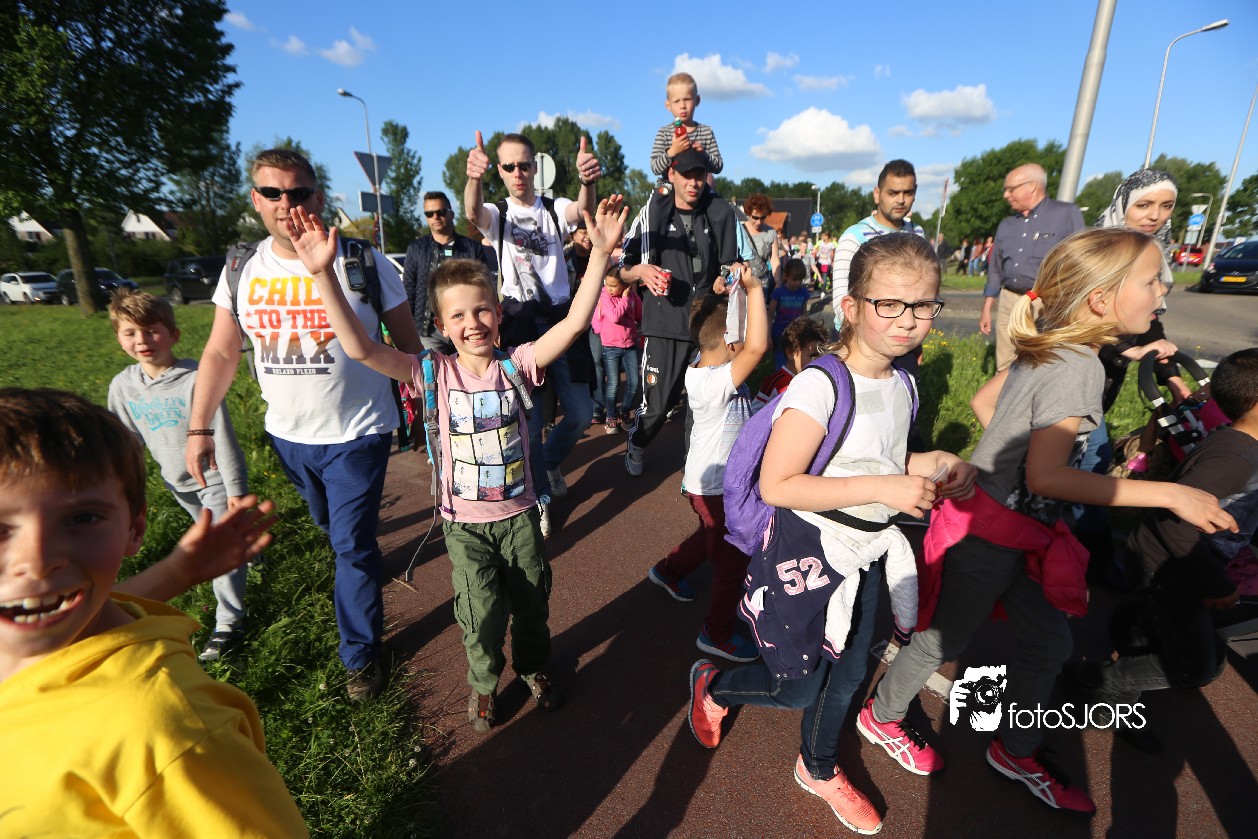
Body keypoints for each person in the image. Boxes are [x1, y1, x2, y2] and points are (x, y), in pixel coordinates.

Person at [858, 228, 1236, 817]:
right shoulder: (1076, 367)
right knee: (942, 640)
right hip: (992, 535)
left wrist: (1009, 455)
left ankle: (1015, 749)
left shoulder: (1057, 347)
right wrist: (1172, 495)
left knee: (1049, 643)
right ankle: (882, 715)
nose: (1164, 292)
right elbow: (1047, 476)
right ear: (1100, 299)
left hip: (1017, 531)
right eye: (1152, 281)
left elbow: (986, 403)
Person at [283, 196, 629, 734]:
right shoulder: (433, 372)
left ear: (498, 312)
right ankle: (485, 683)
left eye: (483, 310)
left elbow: (574, 323)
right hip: (465, 528)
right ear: (442, 324)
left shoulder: (519, 365)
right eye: (459, 315)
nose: (473, 323)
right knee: (479, 614)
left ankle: (533, 669)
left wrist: (601, 254)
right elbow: (360, 348)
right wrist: (323, 274)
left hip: (520, 519)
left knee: (532, 607)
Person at [687, 233, 976, 835]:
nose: (908, 320)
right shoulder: (820, 385)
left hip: (866, 554)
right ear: (851, 306)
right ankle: (716, 686)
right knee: (795, 687)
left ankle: (817, 767)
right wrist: (886, 488)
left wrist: (938, 463)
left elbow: (881, 459)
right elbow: (779, 485)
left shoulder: (903, 383)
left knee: (846, 676)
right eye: (889, 304)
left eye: (923, 305)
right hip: (808, 555)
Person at [0, 388, 307, 837]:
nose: (38, 560)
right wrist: (178, 571)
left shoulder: (164, 733)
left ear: (135, 527)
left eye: (82, 518)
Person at [186, 148, 422, 701]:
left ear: (317, 196)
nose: (286, 203)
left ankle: (360, 657)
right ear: (256, 200)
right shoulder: (242, 268)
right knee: (331, 527)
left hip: (359, 431)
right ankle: (357, 560)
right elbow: (220, 352)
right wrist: (198, 428)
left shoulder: (361, 260)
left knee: (352, 546)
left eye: (298, 192)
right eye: (273, 193)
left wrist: (428, 405)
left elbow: (408, 344)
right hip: (288, 435)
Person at [1068, 348, 1258, 754]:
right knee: (1197, 668)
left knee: (1178, 637)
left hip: (1177, 564)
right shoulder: (1235, 459)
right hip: (1172, 568)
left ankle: (1134, 626)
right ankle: (1102, 685)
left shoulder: (1241, 447)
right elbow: (1175, 525)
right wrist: (1217, 583)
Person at [464, 130, 602, 534]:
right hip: (521, 325)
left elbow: (583, 209)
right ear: (500, 170)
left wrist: (587, 181)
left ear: (534, 167)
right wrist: (473, 178)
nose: (518, 172)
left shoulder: (554, 209)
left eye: (525, 165)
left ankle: (550, 462)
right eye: (509, 166)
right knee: (531, 420)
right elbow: (473, 212)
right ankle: (540, 496)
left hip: (562, 321)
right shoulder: (498, 213)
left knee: (581, 413)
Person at [106, 291, 250, 663]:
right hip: (177, 483)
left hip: (215, 479)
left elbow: (223, 435)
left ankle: (228, 624)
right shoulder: (122, 386)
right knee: (217, 536)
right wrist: (126, 489)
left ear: (173, 334)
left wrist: (235, 489)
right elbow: (126, 445)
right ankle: (248, 549)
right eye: (130, 333)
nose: (142, 341)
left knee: (217, 548)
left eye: (152, 331)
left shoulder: (198, 379)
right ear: (118, 338)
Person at [647, 271, 768, 661]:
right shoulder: (714, 383)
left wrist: (730, 295)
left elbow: (709, 318)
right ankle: (716, 633)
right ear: (731, 342)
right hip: (716, 487)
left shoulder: (704, 362)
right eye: (741, 335)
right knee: (732, 562)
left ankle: (669, 571)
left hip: (710, 483)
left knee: (708, 534)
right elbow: (757, 348)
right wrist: (754, 289)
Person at [620, 148, 744, 477]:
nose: (693, 182)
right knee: (659, 405)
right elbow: (621, 269)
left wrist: (723, 280)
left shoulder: (718, 213)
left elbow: (728, 266)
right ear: (671, 175)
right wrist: (642, 271)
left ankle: (696, 467)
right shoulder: (653, 213)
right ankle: (637, 442)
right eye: (686, 175)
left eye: (699, 175)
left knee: (705, 403)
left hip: (707, 323)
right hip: (666, 322)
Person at [981, 163, 1085, 370]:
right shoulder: (1007, 225)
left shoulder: (1066, 214)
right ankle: (1004, 390)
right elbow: (995, 268)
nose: (1006, 195)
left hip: (1045, 302)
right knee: (1006, 360)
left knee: (1041, 360)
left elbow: (1082, 260)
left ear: (1032, 186)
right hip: (1010, 300)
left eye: (1011, 189)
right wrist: (987, 308)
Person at [832, 160, 926, 333]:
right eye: (893, 193)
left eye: (908, 192)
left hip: (905, 334)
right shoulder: (854, 237)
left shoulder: (917, 234)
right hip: (857, 338)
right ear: (877, 194)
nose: (901, 200)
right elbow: (841, 300)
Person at [403, 191, 490, 354]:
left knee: (468, 369)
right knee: (435, 370)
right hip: (428, 331)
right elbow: (408, 290)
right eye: (429, 213)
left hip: (467, 328)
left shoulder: (472, 248)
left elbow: (485, 288)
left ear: (451, 213)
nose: (435, 217)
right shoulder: (416, 248)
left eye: (440, 212)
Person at [591, 266, 642, 434]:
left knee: (634, 383)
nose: (609, 288)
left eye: (613, 285)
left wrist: (631, 298)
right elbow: (614, 316)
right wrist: (625, 299)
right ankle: (611, 416)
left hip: (630, 345)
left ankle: (624, 410)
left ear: (624, 285)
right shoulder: (605, 295)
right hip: (611, 346)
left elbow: (639, 314)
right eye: (607, 284)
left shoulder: (632, 296)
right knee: (613, 384)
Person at [649, 71, 723, 178]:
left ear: (697, 100)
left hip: (698, 183)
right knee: (660, 190)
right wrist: (672, 151)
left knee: (711, 188)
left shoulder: (706, 131)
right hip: (669, 184)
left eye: (687, 99)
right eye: (676, 101)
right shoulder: (664, 133)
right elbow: (655, 168)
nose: (682, 105)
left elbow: (718, 166)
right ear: (668, 105)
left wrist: (703, 154)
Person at [751, 315, 828, 414]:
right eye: (811, 356)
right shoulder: (776, 382)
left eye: (819, 357)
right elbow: (754, 412)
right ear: (790, 352)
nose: (816, 361)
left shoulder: (815, 379)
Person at [769, 258, 812, 369]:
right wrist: (768, 335)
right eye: (795, 279)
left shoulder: (803, 293)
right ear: (786, 276)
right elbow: (770, 315)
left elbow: (804, 314)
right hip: (779, 332)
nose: (797, 283)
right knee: (780, 359)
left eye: (800, 280)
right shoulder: (778, 293)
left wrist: (805, 331)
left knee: (796, 358)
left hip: (796, 333)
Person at [742, 193, 782, 293]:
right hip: (743, 284)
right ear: (748, 213)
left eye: (763, 217)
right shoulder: (740, 230)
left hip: (762, 284)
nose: (759, 222)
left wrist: (778, 282)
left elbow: (774, 259)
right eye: (755, 217)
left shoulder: (771, 232)